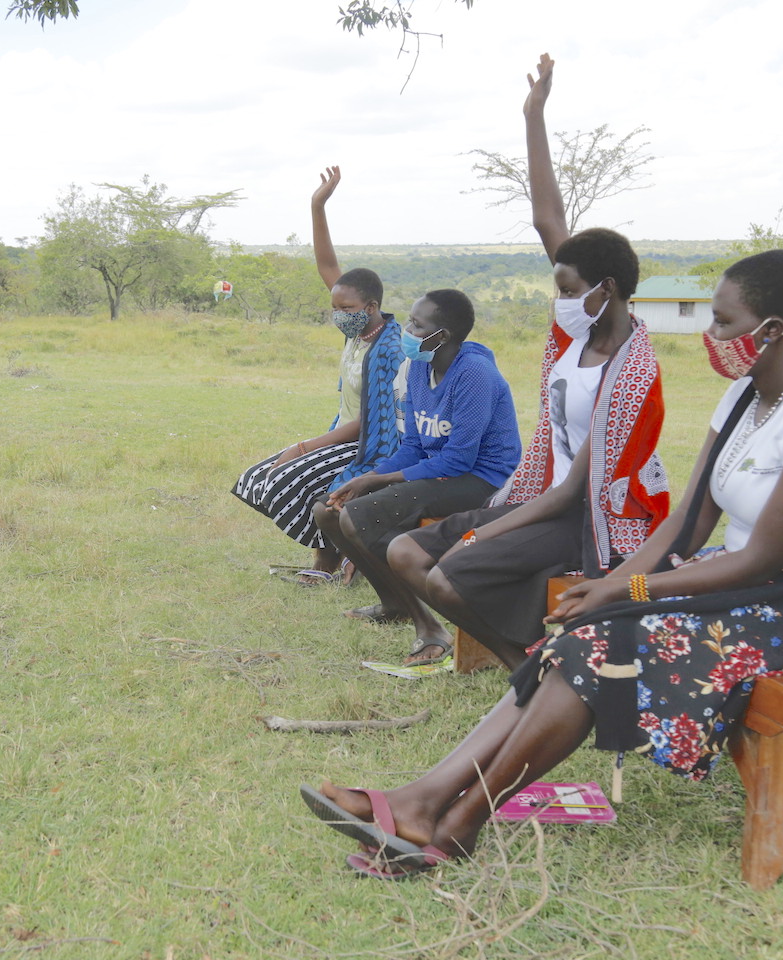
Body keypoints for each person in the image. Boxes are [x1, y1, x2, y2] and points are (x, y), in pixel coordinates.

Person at [301, 248, 783, 879]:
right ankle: (424, 804)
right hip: (749, 581)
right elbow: (688, 522)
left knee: (600, 643)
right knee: (581, 636)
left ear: (772, 330)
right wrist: (613, 583)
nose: (711, 336)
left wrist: (630, 588)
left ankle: (455, 823)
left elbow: (761, 559)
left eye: (723, 322)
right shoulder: (746, 401)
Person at [383, 53, 668, 667]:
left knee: (448, 573)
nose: (558, 301)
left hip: (589, 517)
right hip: (542, 493)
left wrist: (490, 527)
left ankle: (528, 673)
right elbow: (548, 220)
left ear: (607, 288)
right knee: (407, 552)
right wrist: (535, 116)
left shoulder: (633, 374)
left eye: (567, 290)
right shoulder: (575, 335)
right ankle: (532, 669)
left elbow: (578, 492)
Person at [314, 288, 521, 642]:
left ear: (442, 336)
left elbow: (459, 460)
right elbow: (412, 445)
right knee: (327, 510)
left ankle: (429, 625)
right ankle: (393, 603)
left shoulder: (474, 373)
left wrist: (380, 482)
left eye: (416, 324)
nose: (407, 329)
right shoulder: (418, 368)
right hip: (437, 469)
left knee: (360, 515)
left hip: (480, 477)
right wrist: (369, 476)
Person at [232, 166, 405, 586]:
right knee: (258, 478)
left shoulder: (389, 348)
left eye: (347, 309)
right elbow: (327, 264)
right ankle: (333, 563)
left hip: (372, 444)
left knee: (297, 476)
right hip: (343, 432)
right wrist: (317, 205)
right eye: (336, 308)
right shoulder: (360, 327)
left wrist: (305, 445)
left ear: (372, 305)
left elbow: (373, 420)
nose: (339, 315)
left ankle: (344, 562)